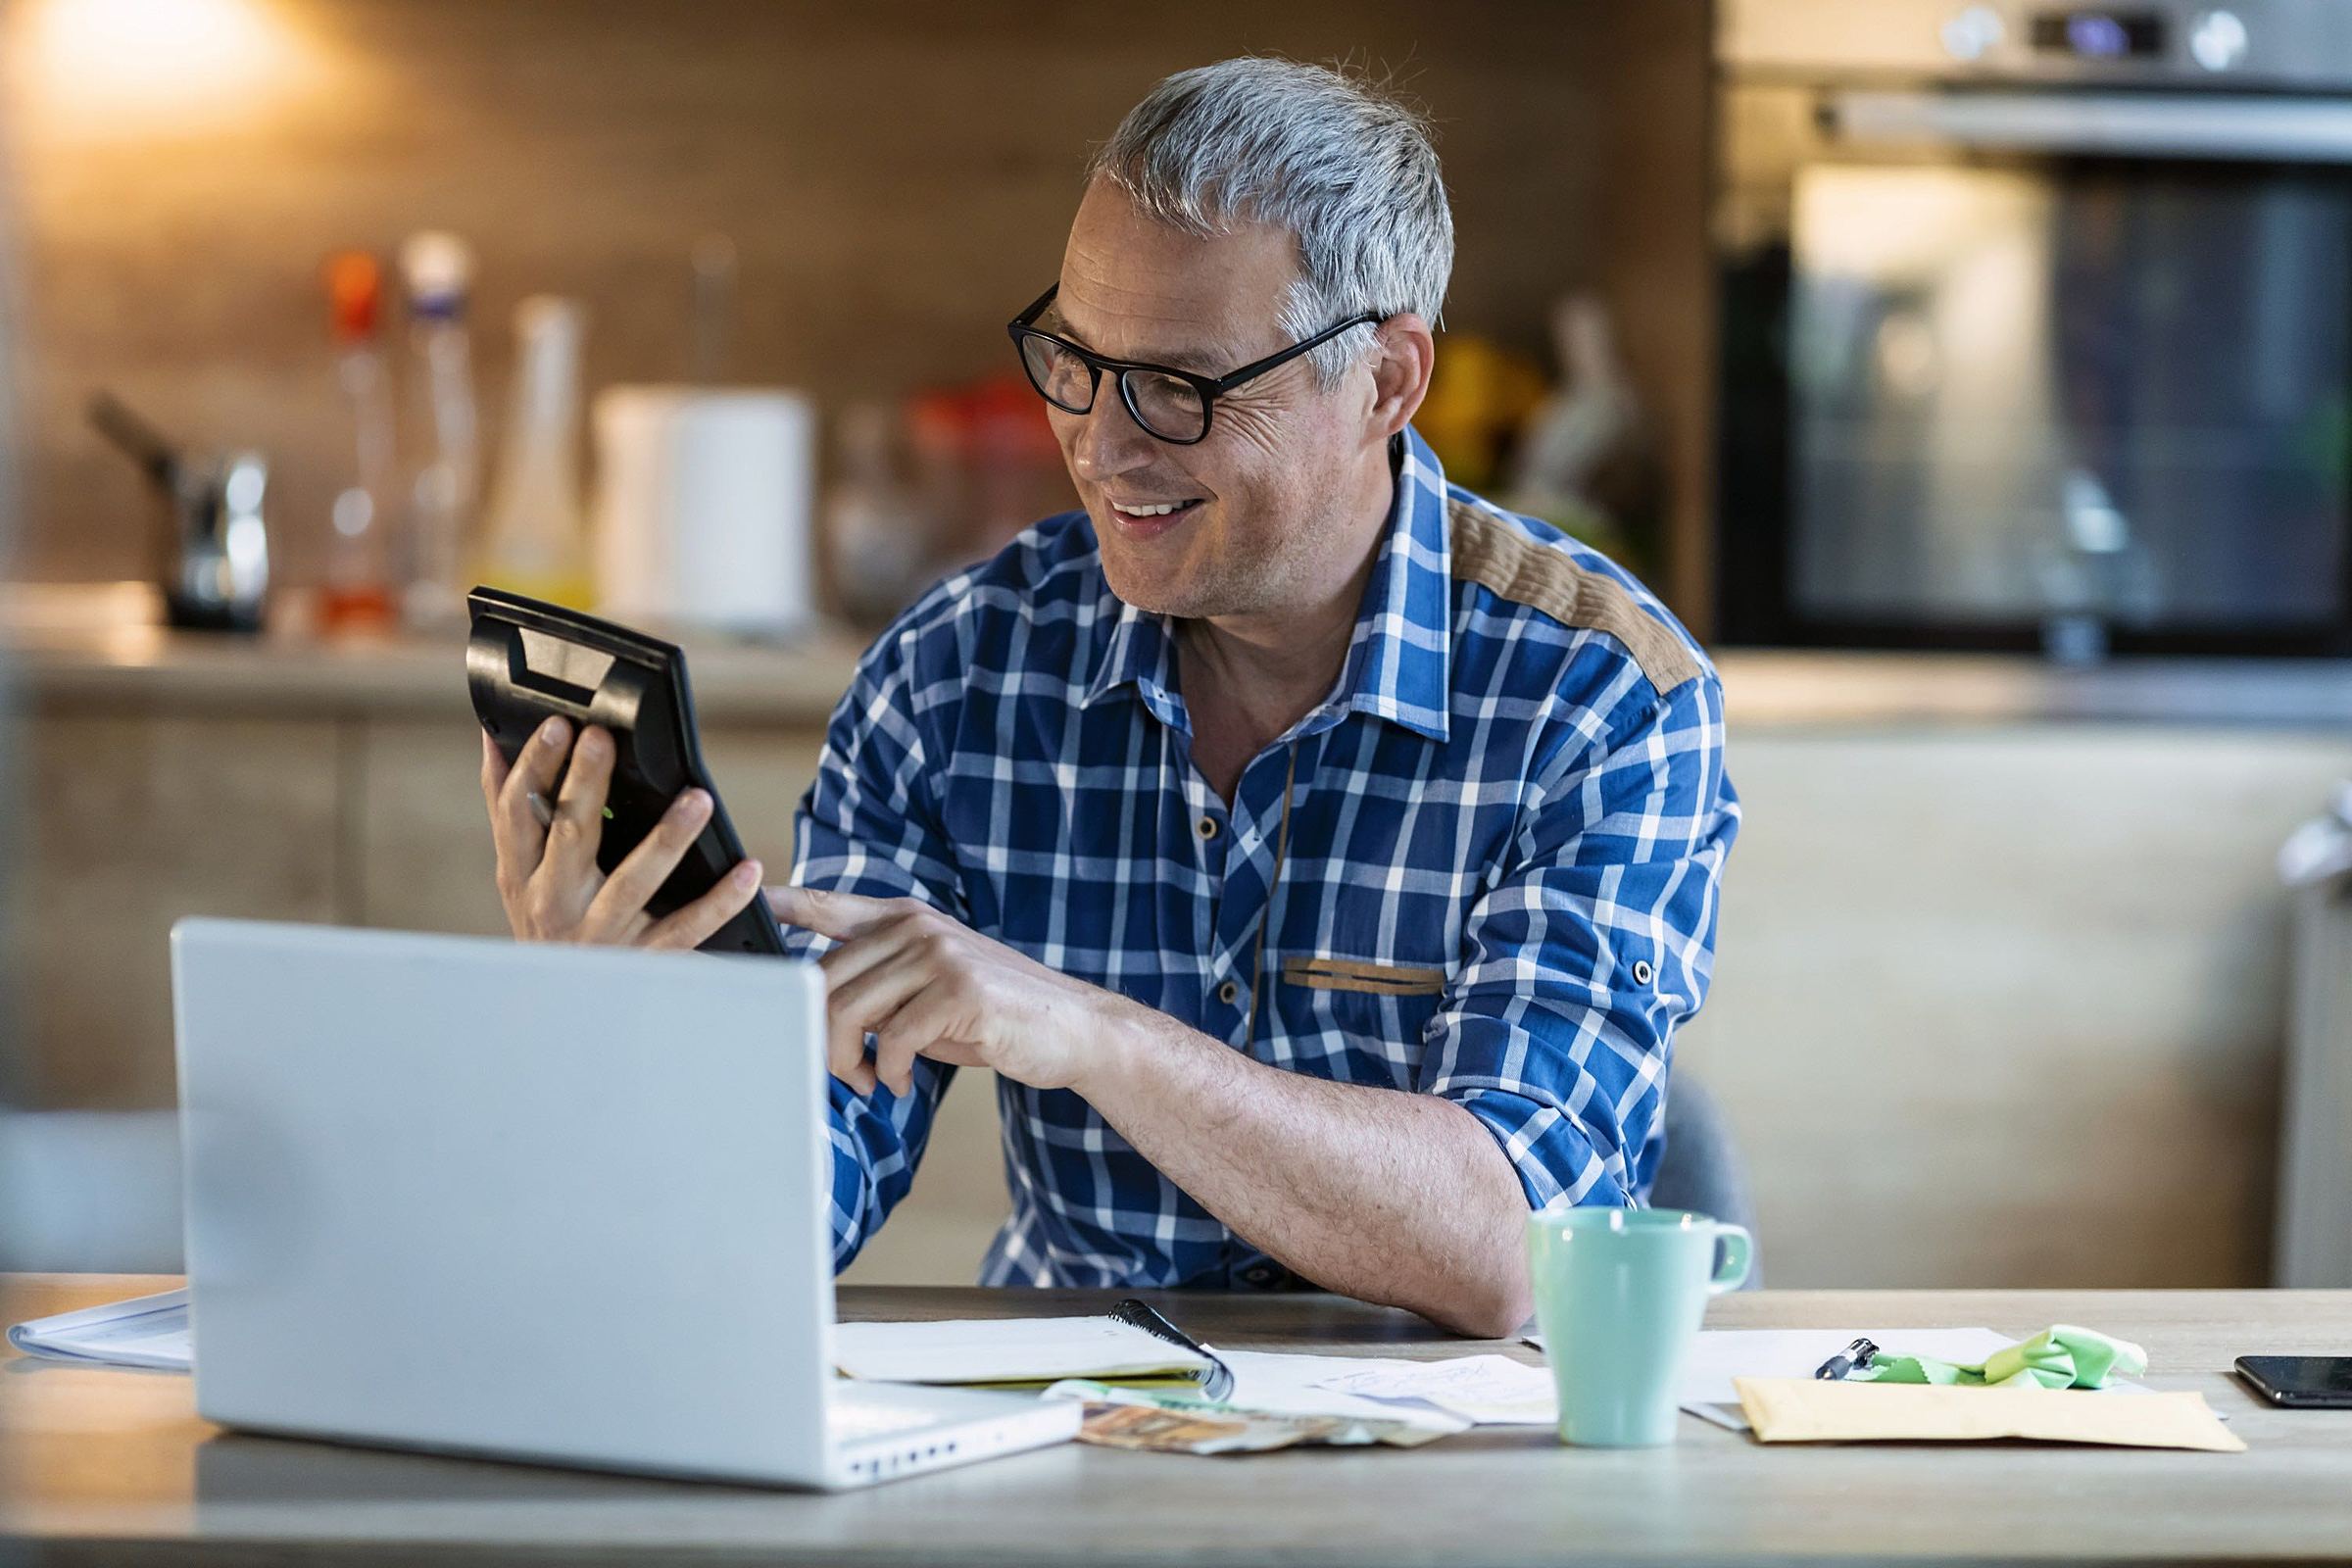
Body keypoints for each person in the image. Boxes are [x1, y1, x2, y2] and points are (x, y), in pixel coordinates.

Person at [480, 57, 1739, 1338]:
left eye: (1180, 388)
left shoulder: (1602, 701)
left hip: (1457, 1491)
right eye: (1076, 361)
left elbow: (1520, 1248)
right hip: (1071, 1441)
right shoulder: (955, 677)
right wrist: (622, 1044)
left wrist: (1090, 1035)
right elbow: (797, 1202)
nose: (1100, 442)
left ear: (1386, 381)